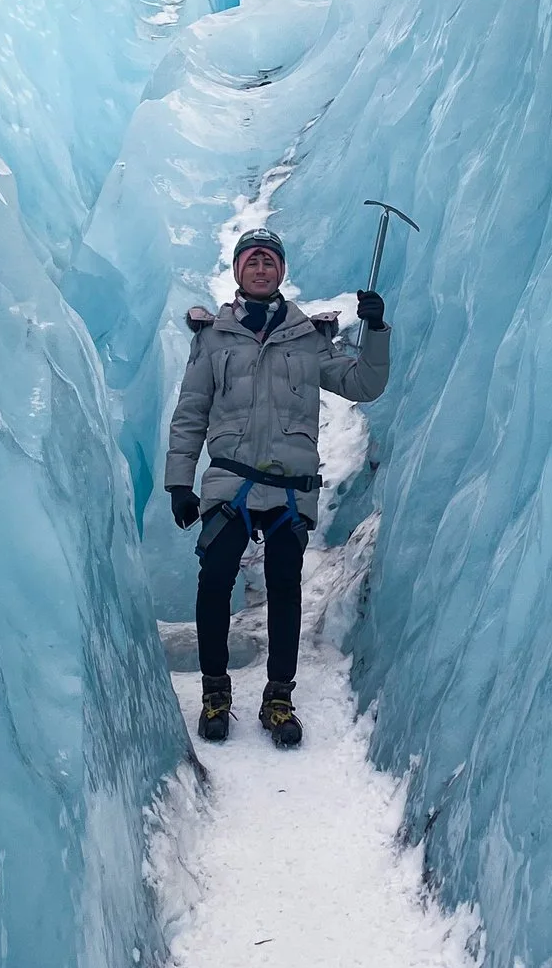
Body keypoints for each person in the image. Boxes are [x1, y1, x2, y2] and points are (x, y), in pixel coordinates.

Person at [165, 227, 390, 746]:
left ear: (281, 271)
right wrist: (181, 482)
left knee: (285, 589)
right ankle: (216, 693)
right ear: (238, 272)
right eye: (252, 261)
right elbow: (190, 413)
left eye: (269, 261)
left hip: (289, 487)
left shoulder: (307, 338)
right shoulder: (214, 339)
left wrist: (375, 331)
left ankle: (279, 698)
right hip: (231, 482)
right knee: (215, 581)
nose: (261, 268)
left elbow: (363, 385)